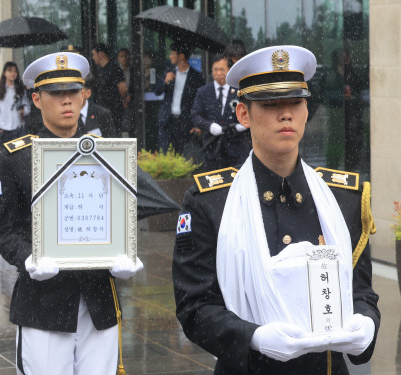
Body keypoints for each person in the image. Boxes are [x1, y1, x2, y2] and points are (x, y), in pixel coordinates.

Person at [172, 45, 379, 374]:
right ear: (243, 115)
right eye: (271, 105)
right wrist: (252, 337)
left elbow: (361, 290)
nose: (286, 114)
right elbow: (194, 307)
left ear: (307, 110)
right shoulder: (210, 202)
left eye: (295, 102)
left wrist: (366, 322)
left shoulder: (341, 199)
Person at [0, 51, 143, 375]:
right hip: (44, 302)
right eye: (56, 94)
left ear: (84, 94)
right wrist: (29, 258)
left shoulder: (106, 155)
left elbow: (122, 214)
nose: (67, 101)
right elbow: (3, 230)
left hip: (98, 300)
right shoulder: (16, 158)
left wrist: (126, 253)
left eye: (74, 92)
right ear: (36, 98)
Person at [191, 54, 251, 170]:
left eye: (222, 69)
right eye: (215, 69)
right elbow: (195, 115)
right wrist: (210, 126)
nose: (218, 73)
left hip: (237, 147)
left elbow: (251, 112)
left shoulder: (239, 91)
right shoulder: (204, 92)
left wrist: (243, 124)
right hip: (212, 148)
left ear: (229, 70)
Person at [155, 43, 205, 156]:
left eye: (173, 54)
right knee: (165, 154)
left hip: (185, 123)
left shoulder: (196, 77)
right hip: (168, 120)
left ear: (181, 56)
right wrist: (165, 81)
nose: (170, 56)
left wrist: (196, 123)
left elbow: (200, 102)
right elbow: (157, 91)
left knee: (183, 156)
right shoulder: (169, 71)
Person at [0, 61, 30, 151]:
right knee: (5, 155)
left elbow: (27, 107)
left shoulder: (20, 89)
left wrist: (23, 111)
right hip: (3, 129)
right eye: (10, 71)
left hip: (18, 128)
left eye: (15, 71)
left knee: (19, 154)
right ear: (5, 73)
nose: (13, 74)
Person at [91, 43, 127, 133]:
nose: (93, 57)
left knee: (113, 134)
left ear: (101, 54)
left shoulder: (114, 69)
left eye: (94, 54)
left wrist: (121, 101)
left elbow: (123, 88)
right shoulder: (100, 71)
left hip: (113, 110)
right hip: (102, 109)